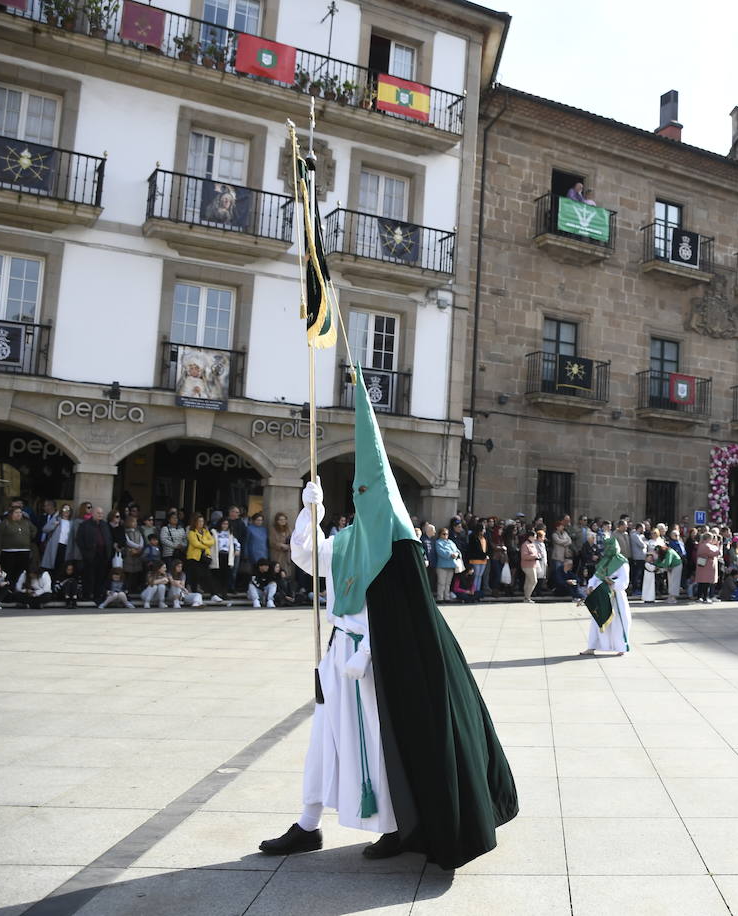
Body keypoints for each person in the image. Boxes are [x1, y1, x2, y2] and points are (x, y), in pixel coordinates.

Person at [259, 367, 517, 865]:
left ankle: (395, 828)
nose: (360, 500)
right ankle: (308, 824)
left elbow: (404, 619)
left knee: (379, 746)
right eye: (356, 494)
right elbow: (307, 557)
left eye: (366, 493)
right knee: (324, 740)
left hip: (376, 664)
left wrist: (373, 652)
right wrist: (310, 512)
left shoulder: (399, 548)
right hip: (338, 655)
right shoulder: (346, 541)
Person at [581, 533, 630, 655]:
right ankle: (592, 647)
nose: (608, 549)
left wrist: (613, 582)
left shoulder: (622, 562)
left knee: (617, 621)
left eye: (610, 547)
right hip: (600, 594)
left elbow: (624, 580)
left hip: (615, 596)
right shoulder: (604, 561)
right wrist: (590, 586)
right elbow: (596, 577)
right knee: (596, 620)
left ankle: (621, 648)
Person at [0, 504, 37, 593]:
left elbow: (34, 530)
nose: (19, 514)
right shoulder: (5, 522)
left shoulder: (26, 522)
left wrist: (29, 538)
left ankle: (19, 588)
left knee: (22, 571)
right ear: (11, 514)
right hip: (8, 551)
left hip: (24, 551)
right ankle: (8, 589)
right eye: (16, 512)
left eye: (20, 512)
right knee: (8, 571)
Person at [75, 506, 113, 606]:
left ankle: (98, 595)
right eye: (98, 513)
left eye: (101, 513)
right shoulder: (85, 525)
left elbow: (109, 538)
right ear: (93, 513)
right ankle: (87, 595)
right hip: (90, 555)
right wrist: (85, 553)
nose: (100, 515)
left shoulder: (105, 525)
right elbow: (79, 540)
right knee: (89, 576)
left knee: (100, 576)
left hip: (103, 555)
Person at [39, 502, 76, 575]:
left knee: (62, 565)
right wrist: (54, 525)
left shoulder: (72, 522)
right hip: (55, 545)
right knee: (53, 564)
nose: (66, 512)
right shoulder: (57, 519)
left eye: (68, 510)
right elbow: (45, 529)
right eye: (64, 510)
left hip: (66, 546)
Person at [212, 517, 240, 598]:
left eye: (227, 524)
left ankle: (224, 593)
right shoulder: (215, 532)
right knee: (217, 574)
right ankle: (216, 592)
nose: (225, 525)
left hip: (227, 555)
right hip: (218, 555)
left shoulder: (230, 533)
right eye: (223, 524)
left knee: (226, 575)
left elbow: (237, 543)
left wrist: (237, 550)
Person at [692, 532, 720, 603]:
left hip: (702, 566)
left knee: (701, 583)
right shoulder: (707, 546)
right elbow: (716, 552)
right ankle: (705, 598)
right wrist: (718, 546)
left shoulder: (701, 545)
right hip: (707, 567)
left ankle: (700, 597)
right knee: (706, 583)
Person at [520, 529, 545, 603]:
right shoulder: (525, 545)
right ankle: (527, 597)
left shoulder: (532, 544)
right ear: (530, 537)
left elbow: (535, 553)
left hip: (533, 565)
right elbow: (524, 556)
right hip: (527, 566)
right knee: (534, 581)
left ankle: (526, 597)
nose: (535, 538)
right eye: (534, 537)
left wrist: (538, 556)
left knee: (528, 581)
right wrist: (535, 557)